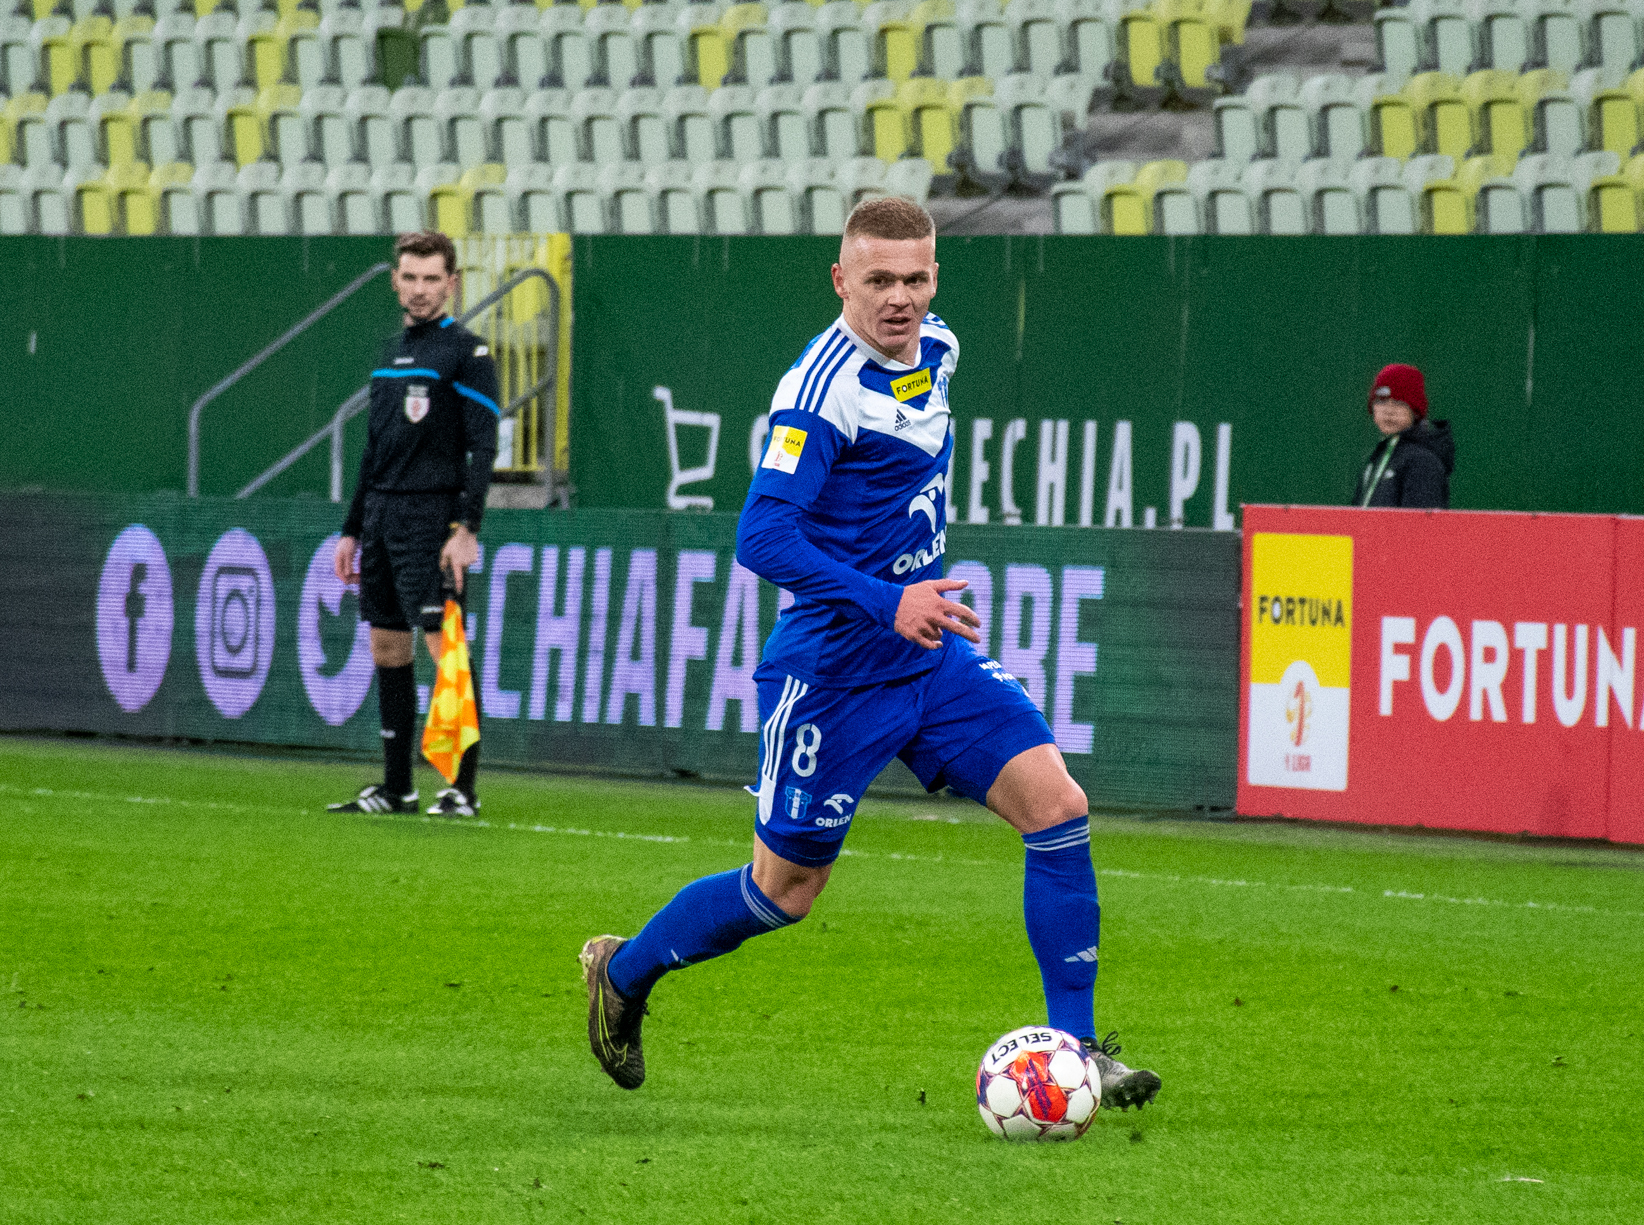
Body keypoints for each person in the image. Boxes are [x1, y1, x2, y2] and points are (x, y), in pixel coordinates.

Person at [577, 197, 1163, 1110]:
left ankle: (1079, 1052)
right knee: (784, 892)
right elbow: (761, 538)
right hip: (834, 671)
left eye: (916, 279)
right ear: (841, 280)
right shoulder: (819, 394)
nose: (901, 298)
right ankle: (623, 974)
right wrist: (890, 598)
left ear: (936, 277)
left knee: (1059, 807)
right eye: (880, 279)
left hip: (928, 656)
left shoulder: (940, 347)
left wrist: (908, 600)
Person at [328, 232, 500, 817]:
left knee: (444, 646)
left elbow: (483, 446)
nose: (420, 289)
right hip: (381, 516)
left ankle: (461, 788)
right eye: (410, 277)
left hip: (432, 518)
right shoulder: (388, 354)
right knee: (386, 645)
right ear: (395, 281)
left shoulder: (468, 354)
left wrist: (467, 526)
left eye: (432, 278)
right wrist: (352, 529)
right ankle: (396, 787)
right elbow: (373, 450)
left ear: (452, 283)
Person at [1353, 362, 1453, 509]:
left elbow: (1420, 522)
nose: (1389, 411)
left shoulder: (1423, 462)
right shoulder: (1377, 457)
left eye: (1399, 403)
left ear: (1415, 411)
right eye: (1381, 401)